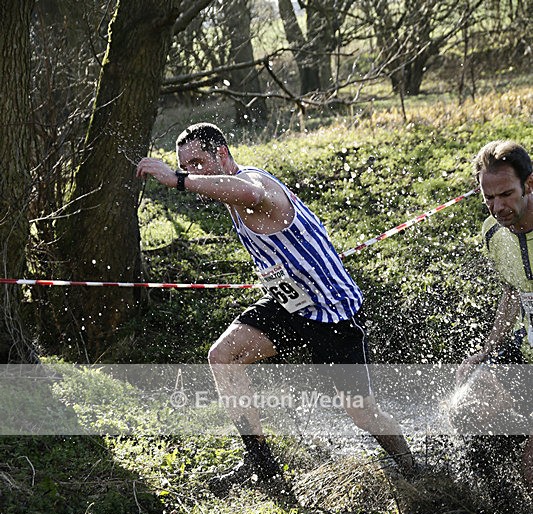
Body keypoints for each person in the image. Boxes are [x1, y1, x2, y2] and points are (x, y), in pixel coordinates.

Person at [136, 123, 416, 495]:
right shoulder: (229, 195)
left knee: (362, 413)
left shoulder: (252, 185)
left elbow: (250, 193)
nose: (193, 172)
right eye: (185, 166)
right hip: (291, 306)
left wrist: (178, 181)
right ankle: (262, 466)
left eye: (198, 163)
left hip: (334, 313)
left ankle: (414, 471)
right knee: (222, 357)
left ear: (222, 154)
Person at [456, 140, 533, 486]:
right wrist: (488, 351)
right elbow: (512, 291)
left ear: (529, 184)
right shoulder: (492, 231)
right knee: (466, 410)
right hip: (525, 351)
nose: (497, 207)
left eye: (506, 194)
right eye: (489, 197)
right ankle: (495, 507)